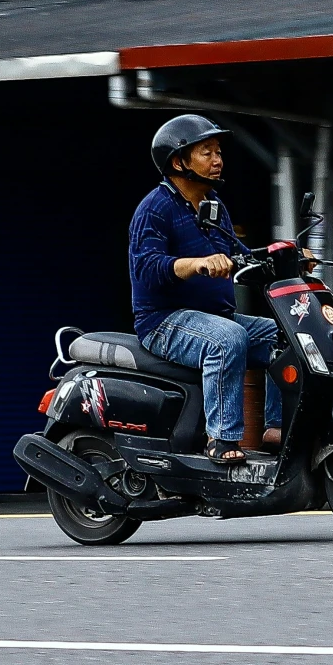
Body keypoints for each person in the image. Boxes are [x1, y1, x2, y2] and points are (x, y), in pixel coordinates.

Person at [128, 114, 280, 466]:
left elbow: (239, 256)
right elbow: (147, 268)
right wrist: (195, 263)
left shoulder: (212, 206)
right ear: (179, 161)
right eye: (206, 152)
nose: (217, 160)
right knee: (227, 339)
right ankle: (221, 439)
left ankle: (275, 427)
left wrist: (287, 256)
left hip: (214, 316)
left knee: (284, 336)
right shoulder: (155, 208)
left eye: (218, 152)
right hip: (164, 322)